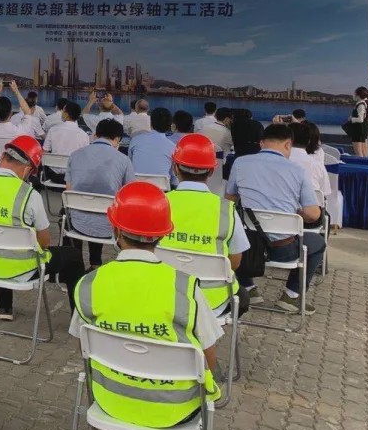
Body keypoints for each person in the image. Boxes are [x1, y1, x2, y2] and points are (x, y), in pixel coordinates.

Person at [71, 181, 221, 430]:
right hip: (176, 410)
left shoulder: (89, 284)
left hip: (109, 400)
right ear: (163, 234)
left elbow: (82, 345)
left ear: (116, 230)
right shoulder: (185, 287)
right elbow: (208, 356)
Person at [0, 135, 84, 321]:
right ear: (27, 169)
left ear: (2, 157)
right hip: (25, 269)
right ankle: (77, 321)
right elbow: (44, 242)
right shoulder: (29, 195)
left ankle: (4, 307)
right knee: (74, 256)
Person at [226, 123, 326, 314]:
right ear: (288, 144)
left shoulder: (240, 163)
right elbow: (313, 214)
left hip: (248, 249)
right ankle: (292, 295)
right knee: (317, 242)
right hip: (283, 250)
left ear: (261, 143)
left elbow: (229, 201)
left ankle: (248, 288)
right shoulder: (298, 171)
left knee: (234, 237)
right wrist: (293, 215)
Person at [160, 134, 250, 317]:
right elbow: (235, 261)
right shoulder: (226, 210)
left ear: (175, 167)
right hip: (212, 303)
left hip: (161, 294)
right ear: (211, 171)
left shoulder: (158, 203)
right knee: (243, 296)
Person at [65, 119, 135, 267]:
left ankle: (75, 264)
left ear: (96, 135)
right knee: (104, 209)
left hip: (76, 223)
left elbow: (68, 190)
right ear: (117, 139)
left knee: (68, 212)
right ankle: (95, 263)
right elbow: (129, 195)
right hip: (109, 227)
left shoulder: (75, 155)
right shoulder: (124, 160)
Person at [0, 80, 35, 158]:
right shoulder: (19, 131)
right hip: (13, 166)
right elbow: (28, 112)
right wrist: (16, 91)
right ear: (11, 113)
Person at [42, 101, 89, 184]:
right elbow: (84, 159)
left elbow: (44, 153)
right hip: (73, 177)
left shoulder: (53, 130)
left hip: (53, 176)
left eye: (63, 111)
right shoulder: (84, 135)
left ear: (67, 114)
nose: (61, 113)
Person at [127, 107, 176, 182]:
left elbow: (130, 164)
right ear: (169, 125)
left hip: (136, 185)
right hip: (162, 187)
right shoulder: (173, 147)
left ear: (150, 122)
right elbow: (174, 175)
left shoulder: (136, 140)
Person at [289, 121, 332, 208]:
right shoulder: (317, 166)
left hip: (277, 212)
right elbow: (324, 193)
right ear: (308, 141)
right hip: (311, 211)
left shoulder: (275, 163)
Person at [347, 86, 368, 157]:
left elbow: (360, 119)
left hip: (358, 130)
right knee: (363, 149)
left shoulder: (361, 105)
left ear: (359, 95)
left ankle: (361, 163)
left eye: (355, 93)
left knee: (358, 150)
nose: (354, 95)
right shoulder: (366, 103)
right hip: (363, 129)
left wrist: (351, 119)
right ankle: (365, 162)